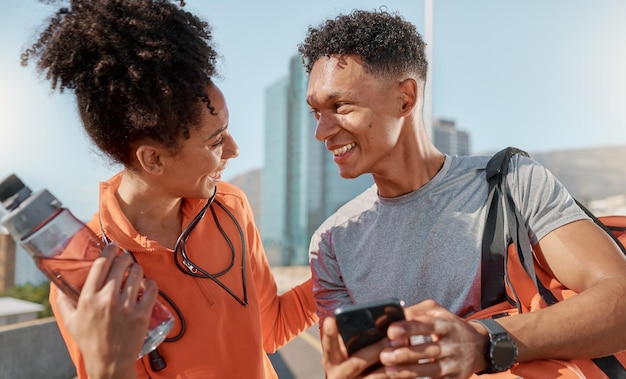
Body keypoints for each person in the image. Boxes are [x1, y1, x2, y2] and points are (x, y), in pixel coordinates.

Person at [297, 9, 626, 379]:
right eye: (315, 113)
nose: (322, 132)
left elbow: (620, 297)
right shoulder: (331, 242)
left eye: (339, 106)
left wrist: (485, 342)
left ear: (405, 99)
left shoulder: (511, 182)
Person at [21, 0, 318, 378]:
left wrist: (339, 270)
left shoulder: (231, 205)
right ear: (154, 160)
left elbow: (269, 330)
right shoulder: (92, 275)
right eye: (215, 141)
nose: (234, 150)